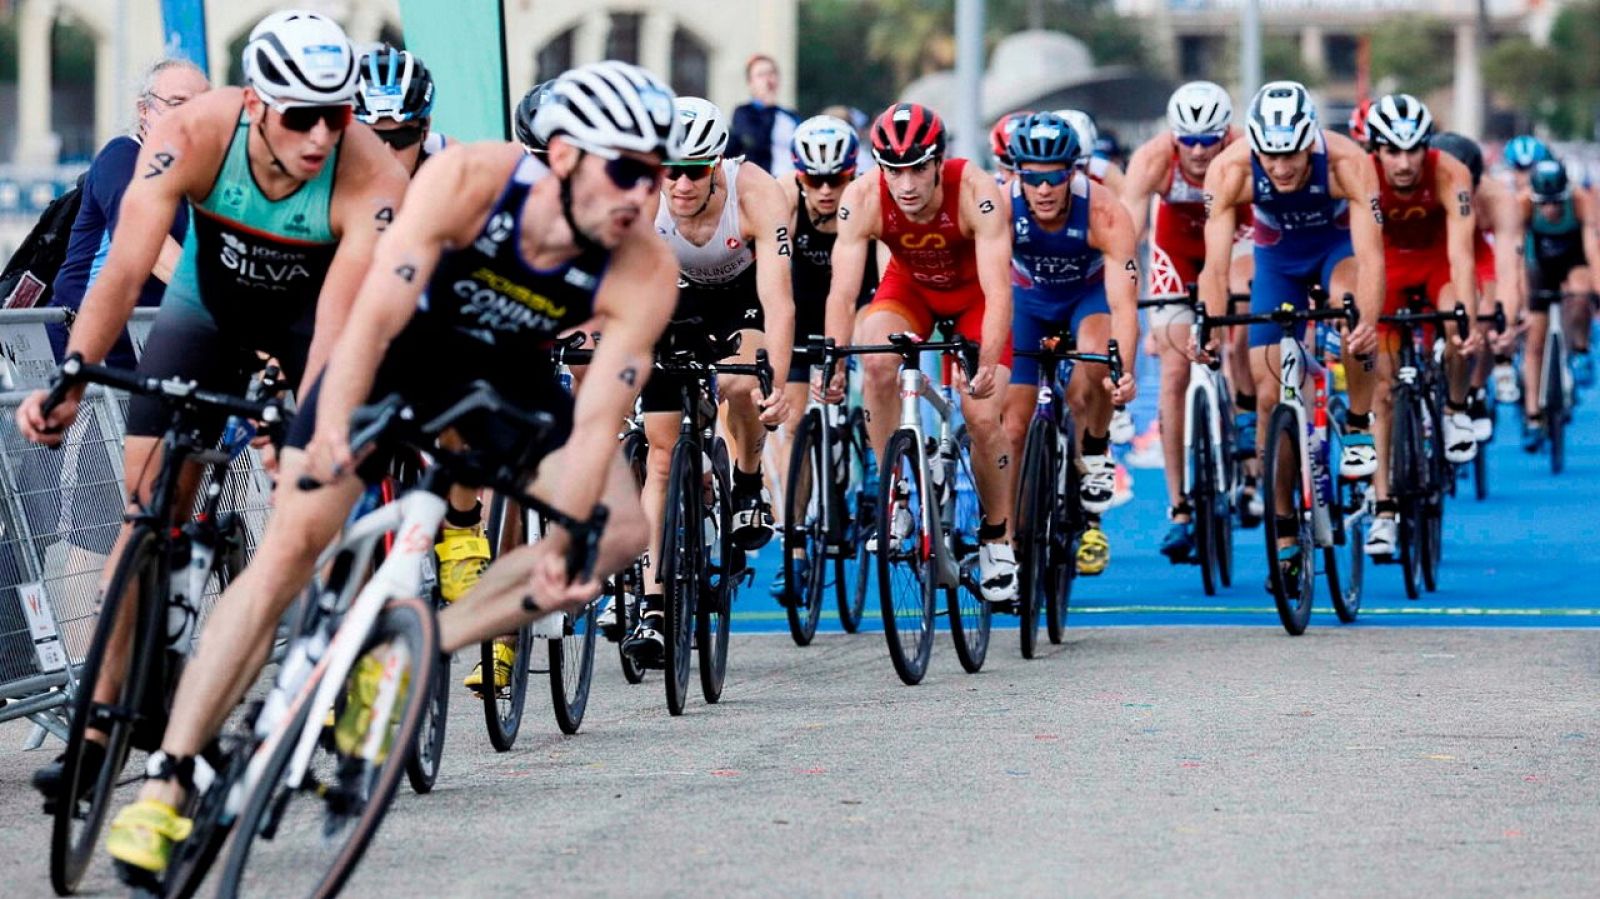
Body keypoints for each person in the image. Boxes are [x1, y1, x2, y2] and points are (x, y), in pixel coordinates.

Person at [92, 59, 680, 881]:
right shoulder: (471, 181)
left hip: (506, 378)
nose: (643, 196)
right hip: (401, 347)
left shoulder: (645, 268)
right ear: (563, 157)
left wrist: (572, 526)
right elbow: (371, 317)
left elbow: (590, 425)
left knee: (618, 529)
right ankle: (169, 778)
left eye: (655, 175)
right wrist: (326, 427)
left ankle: (416, 648)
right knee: (290, 550)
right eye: (625, 169)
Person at [16, 8, 408, 874]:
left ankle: (272, 680)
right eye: (299, 115)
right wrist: (74, 374)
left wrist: (304, 430)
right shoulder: (194, 131)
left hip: (309, 324)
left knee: (311, 489)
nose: (319, 136)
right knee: (139, 518)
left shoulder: (369, 174)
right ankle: (97, 729)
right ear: (256, 103)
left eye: (335, 115)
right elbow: (124, 265)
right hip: (205, 312)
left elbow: (341, 335)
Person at [820, 102, 1019, 602]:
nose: (905, 185)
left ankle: (997, 537)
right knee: (877, 363)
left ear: (938, 163)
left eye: (916, 170)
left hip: (974, 297)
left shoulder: (977, 191)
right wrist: (833, 359)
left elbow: (999, 293)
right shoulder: (863, 197)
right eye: (893, 170)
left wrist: (988, 362)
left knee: (981, 415)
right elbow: (843, 295)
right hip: (910, 291)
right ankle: (899, 494)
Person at [621, 96, 795, 664]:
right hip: (675, 299)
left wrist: (780, 377)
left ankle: (747, 484)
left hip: (743, 301)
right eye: (670, 169)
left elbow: (778, 298)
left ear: (716, 163)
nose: (681, 183)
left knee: (740, 385)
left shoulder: (757, 192)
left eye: (694, 170)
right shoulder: (644, 194)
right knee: (663, 452)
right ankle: (653, 608)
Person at [1198, 81, 1384, 593]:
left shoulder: (1348, 161)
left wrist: (1366, 319)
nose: (1280, 169)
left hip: (1337, 252)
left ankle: (1362, 422)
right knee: (1266, 395)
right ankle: (1283, 536)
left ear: (1311, 144)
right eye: (1271, 158)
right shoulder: (1230, 169)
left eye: (1292, 158)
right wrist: (1209, 327)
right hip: (1277, 262)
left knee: (1352, 313)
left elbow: (1371, 258)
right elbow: (1214, 268)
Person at [1121, 80, 1259, 563]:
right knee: (1175, 371)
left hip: (1237, 241)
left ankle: (1244, 415)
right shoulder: (1154, 159)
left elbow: (1267, 223)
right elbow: (1127, 235)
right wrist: (1124, 293)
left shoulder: (1245, 151)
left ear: (1226, 135)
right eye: (1189, 140)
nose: (1199, 151)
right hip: (1176, 252)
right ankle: (1179, 508)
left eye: (1209, 139)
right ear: (1174, 135)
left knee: (1239, 321)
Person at [1000, 112, 1138, 576]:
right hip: (1028, 303)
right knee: (1014, 426)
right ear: (1017, 175)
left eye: (1055, 178)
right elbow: (985, 289)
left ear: (1074, 172)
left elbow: (1123, 305)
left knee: (1090, 376)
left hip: (1089, 297)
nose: (1043, 190)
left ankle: (1095, 456)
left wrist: (1126, 370)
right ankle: (1014, 547)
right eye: (1032, 179)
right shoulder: (999, 208)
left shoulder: (1104, 211)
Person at [1361, 94, 1481, 557]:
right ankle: (1385, 510)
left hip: (1436, 265)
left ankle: (1454, 410)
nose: (1405, 162)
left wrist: (1466, 316)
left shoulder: (1452, 172)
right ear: (1376, 150)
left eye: (1414, 150)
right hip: (1385, 268)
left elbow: (1463, 256)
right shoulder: (1362, 175)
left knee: (1457, 320)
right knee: (1383, 390)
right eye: (1393, 151)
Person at [769, 114, 881, 599]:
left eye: (836, 179)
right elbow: (769, 283)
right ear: (799, 176)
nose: (826, 191)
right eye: (814, 180)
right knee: (792, 425)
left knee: (870, 359)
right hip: (799, 310)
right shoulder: (782, 201)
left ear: (851, 175)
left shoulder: (868, 201)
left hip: (857, 303)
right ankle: (794, 549)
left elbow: (879, 286)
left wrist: (848, 355)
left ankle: (873, 455)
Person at [45, 58, 210, 367]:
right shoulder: (122, 159)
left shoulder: (196, 177)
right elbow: (153, 252)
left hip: (145, 347)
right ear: (144, 111)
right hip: (84, 346)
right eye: (177, 103)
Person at [1431, 132, 1524, 439]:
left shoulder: (1498, 200)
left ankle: (1475, 388)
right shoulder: (1423, 187)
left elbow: (1509, 267)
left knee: (1484, 312)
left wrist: (1507, 322)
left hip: (1476, 252)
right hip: (1434, 250)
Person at [1520, 159, 1599, 448]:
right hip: (1539, 265)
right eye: (1545, 204)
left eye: (1556, 203)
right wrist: (1519, 300)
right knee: (1535, 342)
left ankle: (1579, 348)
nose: (1551, 210)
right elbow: (1515, 257)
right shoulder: (1523, 205)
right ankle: (1532, 413)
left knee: (1580, 293)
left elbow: (1592, 249)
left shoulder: (1580, 201)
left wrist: (1596, 292)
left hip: (1573, 261)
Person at [354, 44, 447, 175]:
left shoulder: (448, 167)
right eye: (372, 139)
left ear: (425, 130)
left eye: (401, 137)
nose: (387, 153)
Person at [728, 53, 800, 177]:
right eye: (761, 75)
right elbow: (755, 143)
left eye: (771, 73)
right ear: (750, 83)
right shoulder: (744, 112)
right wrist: (767, 109)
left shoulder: (790, 116)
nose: (768, 80)